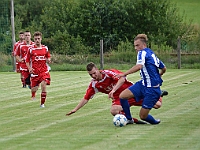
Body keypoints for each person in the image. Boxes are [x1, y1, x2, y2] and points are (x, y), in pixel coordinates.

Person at [66, 62, 168, 124]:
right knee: (114, 111)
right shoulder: (94, 85)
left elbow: (122, 79)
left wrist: (113, 90)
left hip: (131, 92)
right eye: (90, 75)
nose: (93, 76)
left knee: (157, 105)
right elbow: (86, 98)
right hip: (119, 99)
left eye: (94, 73)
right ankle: (132, 120)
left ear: (97, 70)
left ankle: (157, 93)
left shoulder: (109, 73)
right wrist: (75, 109)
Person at [117, 34, 167, 125]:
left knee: (143, 116)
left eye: (137, 45)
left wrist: (124, 74)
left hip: (151, 89)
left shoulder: (142, 53)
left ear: (144, 45)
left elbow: (139, 66)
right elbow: (164, 68)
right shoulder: (151, 53)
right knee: (122, 96)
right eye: (134, 46)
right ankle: (129, 119)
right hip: (143, 84)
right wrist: (160, 75)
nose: (136, 48)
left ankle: (155, 122)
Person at [26, 31, 51, 107]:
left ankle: (42, 104)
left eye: (38, 39)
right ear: (33, 39)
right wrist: (29, 68)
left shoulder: (45, 48)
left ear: (41, 39)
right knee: (34, 89)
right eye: (36, 39)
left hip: (44, 71)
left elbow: (48, 56)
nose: (37, 40)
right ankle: (33, 93)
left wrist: (49, 59)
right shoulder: (31, 49)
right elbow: (27, 60)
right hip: (35, 72)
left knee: (44, 85)